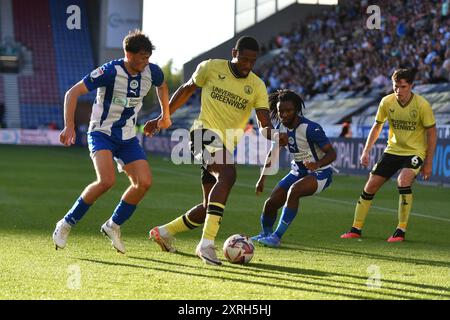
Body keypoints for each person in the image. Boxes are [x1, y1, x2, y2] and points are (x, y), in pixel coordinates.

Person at [145, 36, 286, 266]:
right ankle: (207, 245)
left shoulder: (257, 85)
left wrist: (276, 135)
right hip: (202, 133)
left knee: (207, 207)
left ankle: (164, 232)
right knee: (228, 175)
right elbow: (186, 89)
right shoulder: (210, 67)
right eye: (243, 59)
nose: (247, 65)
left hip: (225, 144)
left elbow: (263, 124)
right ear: (234, 53)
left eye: (252, 61)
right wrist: (163, 117)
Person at [52, 30, 172, 253]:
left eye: (149, 57)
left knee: (144, 182)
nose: (146, 62)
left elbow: (162, 85)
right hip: (102, 133)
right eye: (143, 57)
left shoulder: (151, 71)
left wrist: (165, 115)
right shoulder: (109, 71)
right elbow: (72, 93)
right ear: (128, 54)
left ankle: (113, 225)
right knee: (106, 181)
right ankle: (66, 223)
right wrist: (68, 125)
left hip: (127, 137)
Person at [341, 68, 437, 242]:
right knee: (369, 187)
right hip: (392, 150)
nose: (398, 91)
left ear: (411, 86)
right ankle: (356, 229)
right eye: (395, 86)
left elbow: (431, 133)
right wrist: (366, 151)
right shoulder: (387, 102)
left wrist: (428, 162)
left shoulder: (422, 105)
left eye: (402, 87)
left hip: (415, 152)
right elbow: (377, 127)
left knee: (403, 180)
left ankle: (400, 230)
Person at [251, 89, 337, 247]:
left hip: (320, 173)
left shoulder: (310, 128)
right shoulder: (280, 128)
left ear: (296, 110)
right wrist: (262, 178)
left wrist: (317, 164)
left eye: (288, 111)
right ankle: (266, 233)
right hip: (298, 171)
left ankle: (276, 237)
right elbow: (273, 152)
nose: (283, 115)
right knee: (271, 203)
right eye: (280, 111)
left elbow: (332, 153)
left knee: (294, 191)